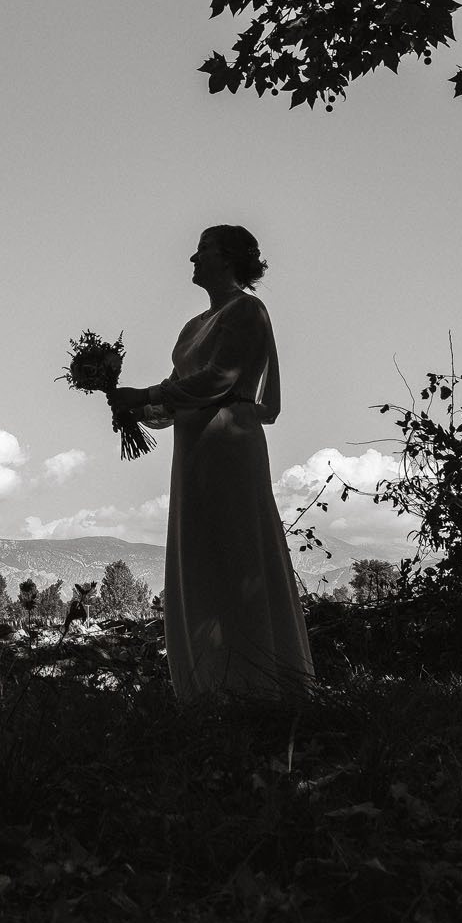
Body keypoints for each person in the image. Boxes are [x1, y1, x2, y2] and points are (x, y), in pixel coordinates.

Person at [110, 225, 312, 702]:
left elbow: (217, 381)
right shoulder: (190, 327)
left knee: (237, 546)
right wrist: (134, 407)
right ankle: (208, 685)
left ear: (228, 259)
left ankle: (259, 682)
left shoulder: (247, 311)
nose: (192, 257)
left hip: (230, 441)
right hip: (194, 446)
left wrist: (148, 395)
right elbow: (181, 388)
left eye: (202, 249)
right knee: (201, 552)